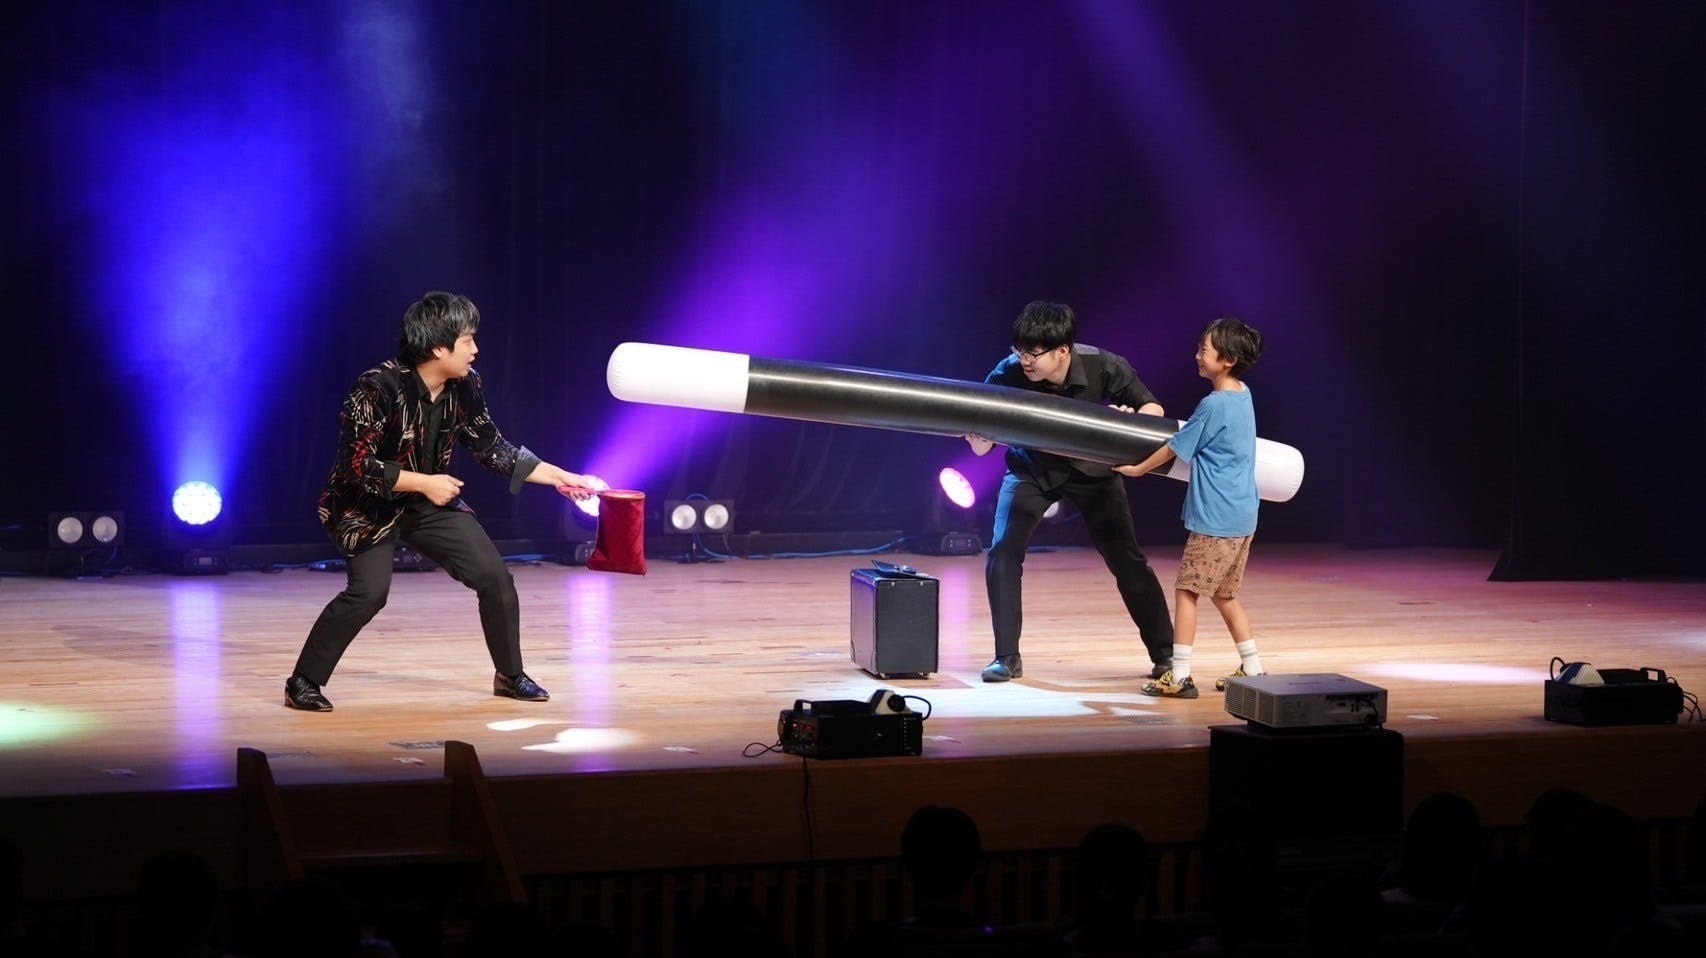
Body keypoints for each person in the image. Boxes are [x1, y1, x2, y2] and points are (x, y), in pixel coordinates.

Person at [284, 292, 599, 711]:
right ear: (437, 347)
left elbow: (492, 448)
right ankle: (303, 681)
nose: (475, 349)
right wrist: (423, 482)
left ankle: (510, 675)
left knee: (495, 578)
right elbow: (355, 466)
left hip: (427, 500)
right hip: (367, 505)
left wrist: (561, 478)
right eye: (467, 340)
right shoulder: (377, 387)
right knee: (369, 593)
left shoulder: (465, 386)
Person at [968, 301, 1174, 683]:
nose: (1024, 360)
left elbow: (1153, 410)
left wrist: (1128, 421)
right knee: (1002, 551)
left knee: (1127, 560)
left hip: (1093, 472)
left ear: (1062, 350)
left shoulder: (1103, 364)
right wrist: (978, 436)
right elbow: (981, 443)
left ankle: (1166, 655)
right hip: (1033, 469)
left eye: (1033, 353)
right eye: (1019, 350)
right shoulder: (1008, 371)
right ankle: (1006, 657)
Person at [1115, 317, 1264, 698]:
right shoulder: (1243, 394)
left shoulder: (1213, 404)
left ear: (1227, 359)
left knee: (1186, 592)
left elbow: (1176, 446)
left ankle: (1179, 676)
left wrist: (1138, 469)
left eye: (1204, 349)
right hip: (1243, 513)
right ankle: (1253, 668)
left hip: (1217, 517)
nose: (1197, 355)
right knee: (1224, 594)